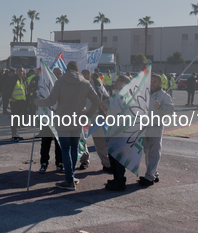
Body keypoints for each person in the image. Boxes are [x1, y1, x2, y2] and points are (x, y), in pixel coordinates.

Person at [35, 61, 102, 191]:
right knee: (74, 149)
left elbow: (50, 101)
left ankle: (69, 180)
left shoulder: (60, 82)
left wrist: (35, 101)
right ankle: (70, 177)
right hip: (78, 120)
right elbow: (97, 101)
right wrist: (87, 115)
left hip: (63, 120)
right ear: (77, 70)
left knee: (65, 149)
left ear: (66, 70)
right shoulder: (85, 83)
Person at [139, 73, 175, 187]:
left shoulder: (164, 95)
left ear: (160, 83)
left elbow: (171, 110)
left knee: (154, 152)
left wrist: (161, 108)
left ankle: (149, 177)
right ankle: (153, 173)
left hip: (155, 127)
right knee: (147, 152)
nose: (152, 83)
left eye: (154, 81)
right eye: (151, 81)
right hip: (144, 127)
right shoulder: (146, 93)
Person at [104, 74, 131, 191]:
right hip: (114, 128)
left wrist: (107, 104)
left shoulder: (124, 95)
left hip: (120, 130)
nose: (114, 83)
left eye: (117, 81)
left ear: (123, 83)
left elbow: (118, 110)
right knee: (113, 155)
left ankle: (120, 181)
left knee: (118, 156)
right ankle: (116, 178)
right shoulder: (118, 94)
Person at [39, 67, 64, 173]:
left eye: (59, 73)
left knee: (59, 143)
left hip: (60, 119)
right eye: (55, 73)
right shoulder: (46, 85)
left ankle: (59, 162)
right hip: (47, 119)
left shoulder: (64, 86)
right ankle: (44, 163)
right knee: (45, 143)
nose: (57, 75)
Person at [8, 67, 29, 141]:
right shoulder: (12, 79)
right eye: (20, 71)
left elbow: (25, 90)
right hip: (15, 101)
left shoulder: (23, 79)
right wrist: (11, 98)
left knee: (18, 118)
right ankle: (14, 134)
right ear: (16, 71)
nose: (21, 72)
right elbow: (6, 89)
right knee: (14, 117)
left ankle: (16, 133)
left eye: (22, 71)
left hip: (22, 101)